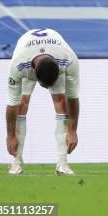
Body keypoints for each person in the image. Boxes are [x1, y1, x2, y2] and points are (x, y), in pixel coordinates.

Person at [6, 28, 79, 175]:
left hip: (55, 53)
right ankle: (17, 163)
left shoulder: (68, 59)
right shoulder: (19, 64)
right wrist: (10, 135)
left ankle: (62, 164)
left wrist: (73, 130)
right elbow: (12, 104)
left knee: (62, 103)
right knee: (21, 104)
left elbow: (73, 98)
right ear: (35, 76)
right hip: (27, 54)